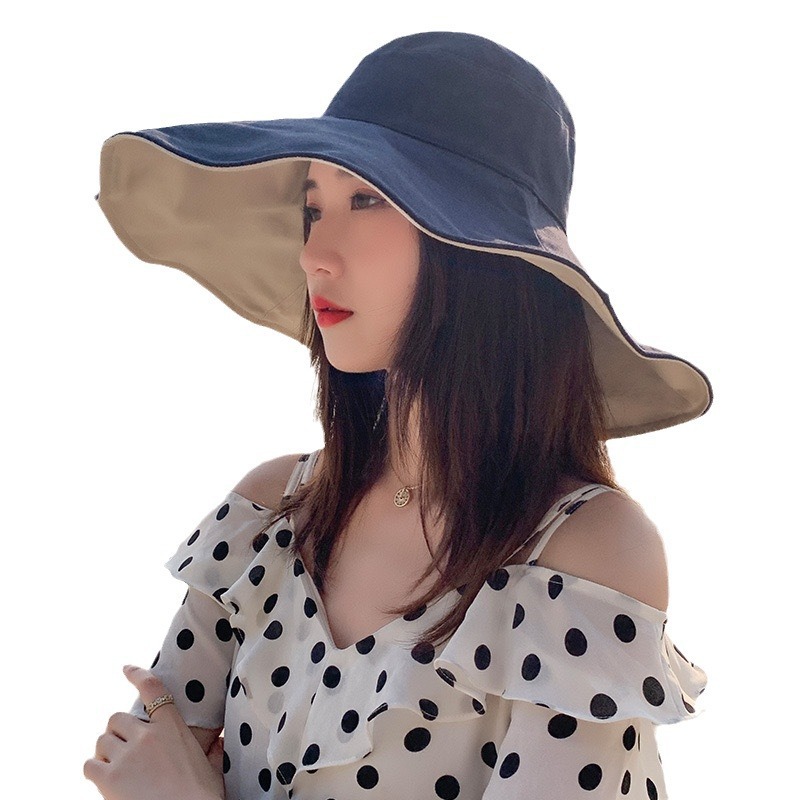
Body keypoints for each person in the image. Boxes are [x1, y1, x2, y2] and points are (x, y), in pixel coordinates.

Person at [84, 31, 711, 800]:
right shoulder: (269, 516)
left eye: (366, 200)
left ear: (482, 251)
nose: (315, 253)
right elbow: (134, 760)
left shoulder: (586, 555)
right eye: (313, 209)